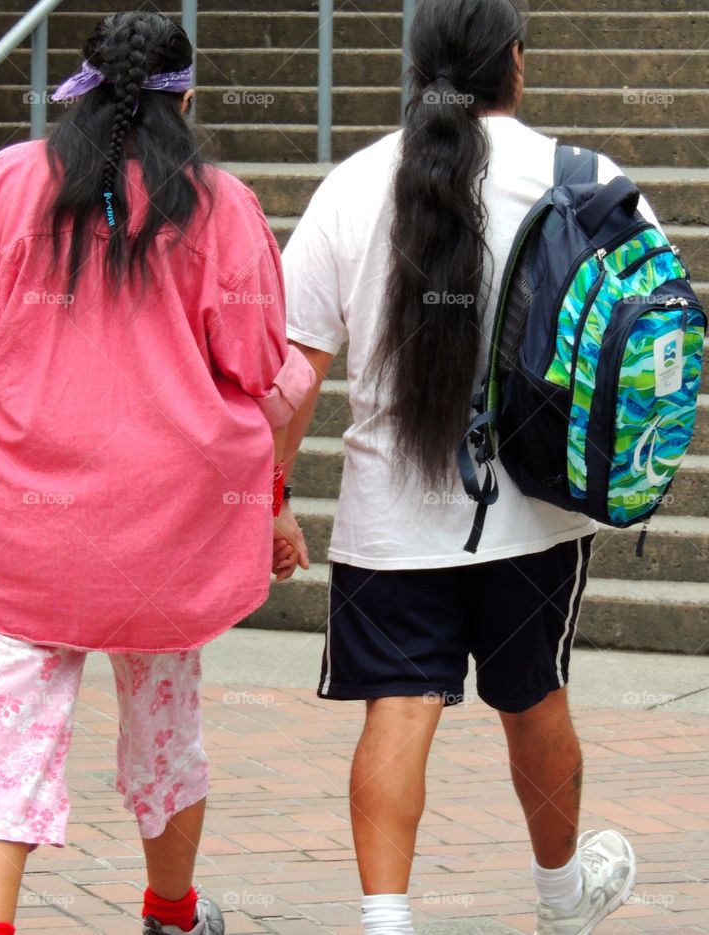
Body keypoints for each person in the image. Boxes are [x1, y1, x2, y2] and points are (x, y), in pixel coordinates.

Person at [0, 11, 315, 935]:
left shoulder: (5, 183)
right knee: (166, 723)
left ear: (76, 89)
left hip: (11, 521)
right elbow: (258, 358)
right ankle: (172, 913)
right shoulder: (222, 205)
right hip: (168, 525)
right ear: (187, 101)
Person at [279, 0, 649, 932]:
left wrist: (269, 496)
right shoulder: (587, 179)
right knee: (534, 700)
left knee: (398, 713)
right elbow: (651, 338)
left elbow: (291, 374)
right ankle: (564, 903)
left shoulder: (353, 184)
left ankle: (387, 921)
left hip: (389, 520)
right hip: (534, 511)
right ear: (514, 64)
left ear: (415, 69)